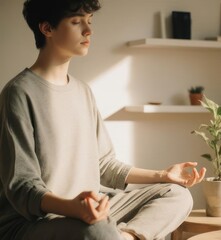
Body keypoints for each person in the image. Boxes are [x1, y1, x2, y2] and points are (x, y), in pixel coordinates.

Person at [0, 0, 206, 239]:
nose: (88, 31)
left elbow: (104, 164)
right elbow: (22, 188)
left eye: (89, 21)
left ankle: (123, 237)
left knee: (176, 194)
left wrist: (163, 175)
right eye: (77, 22)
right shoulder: (19, 93)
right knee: (98, 230)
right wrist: (73, 208)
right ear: (47, 29)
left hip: (90, 211)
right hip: (36, 221)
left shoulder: (83, 92)